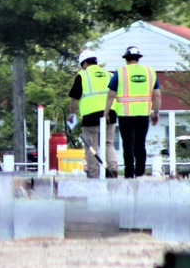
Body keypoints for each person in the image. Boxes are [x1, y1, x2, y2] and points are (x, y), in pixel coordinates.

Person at [104, 46, 161, 178]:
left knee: (128, 144)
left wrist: (106, 113)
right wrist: (156, 113)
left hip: (125, 115)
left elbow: (111, 95)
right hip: (143, 114)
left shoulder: (120, 72)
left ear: (126, 59)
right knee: (140, 144)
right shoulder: (149, 72)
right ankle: (140, 173)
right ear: (138, 59)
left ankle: (129, 174)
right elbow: (157, 95)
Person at [67, 49, 118, 178]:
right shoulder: (109, 74)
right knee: (108, 143)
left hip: (91, 116)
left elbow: (74, 98)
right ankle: (113, 169)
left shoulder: (82, 76)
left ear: (83, 63)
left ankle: (93, 173)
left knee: (91, 145)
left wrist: (71, 114)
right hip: (110, 114)